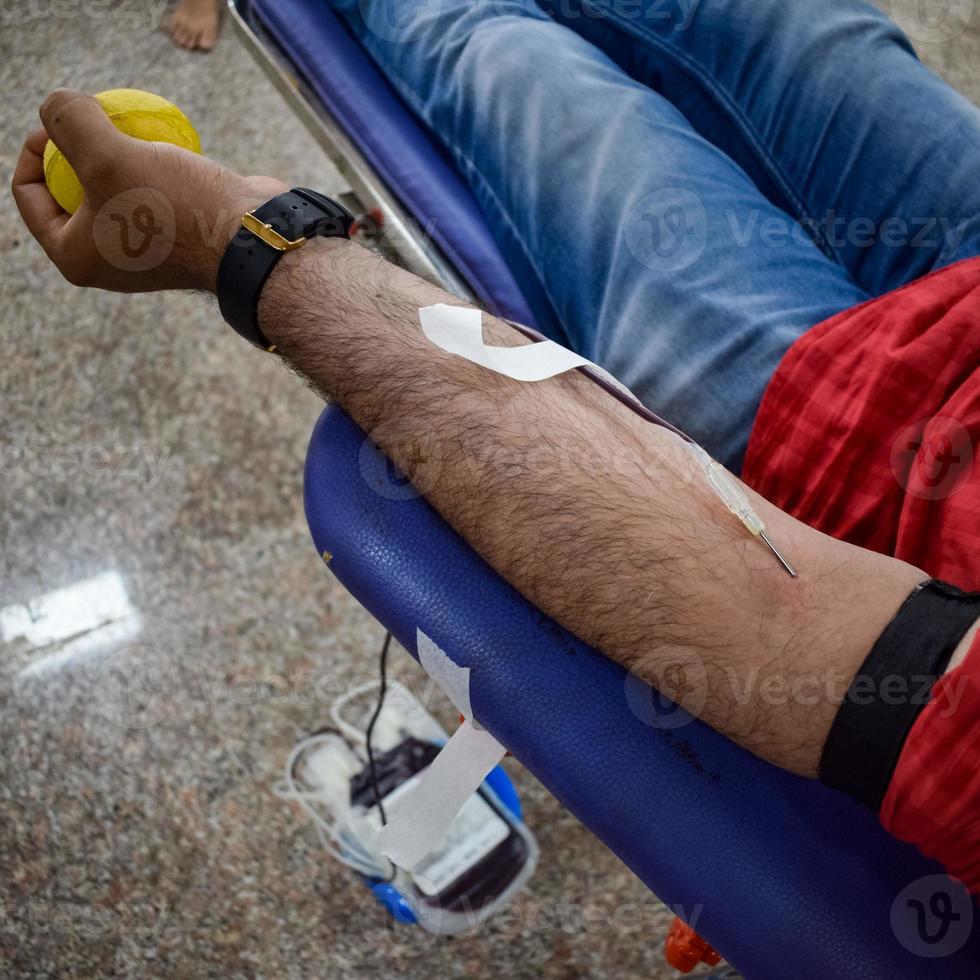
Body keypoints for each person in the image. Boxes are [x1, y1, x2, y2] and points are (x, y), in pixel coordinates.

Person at [12, 0, 979, 893]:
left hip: (852, 460)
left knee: (499, 52)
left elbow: (780, 628)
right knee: (801, 30)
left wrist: (244, 242)